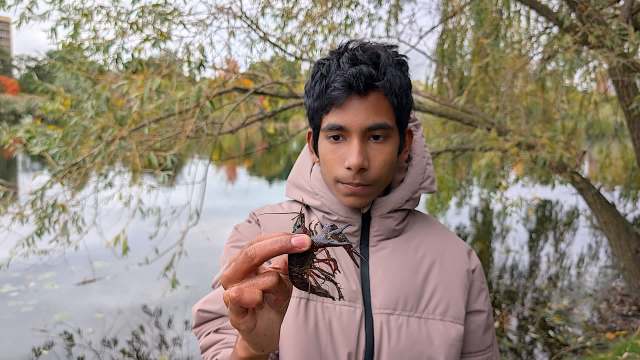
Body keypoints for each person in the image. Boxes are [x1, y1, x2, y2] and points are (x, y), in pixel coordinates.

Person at [192, 40, 499, 360]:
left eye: (376, 137)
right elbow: (219, 342)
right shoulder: (258, 235)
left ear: (404, 143)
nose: (356, 160)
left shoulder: (458, 263)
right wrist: (251, 350)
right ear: (313, 145)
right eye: (337, 137)